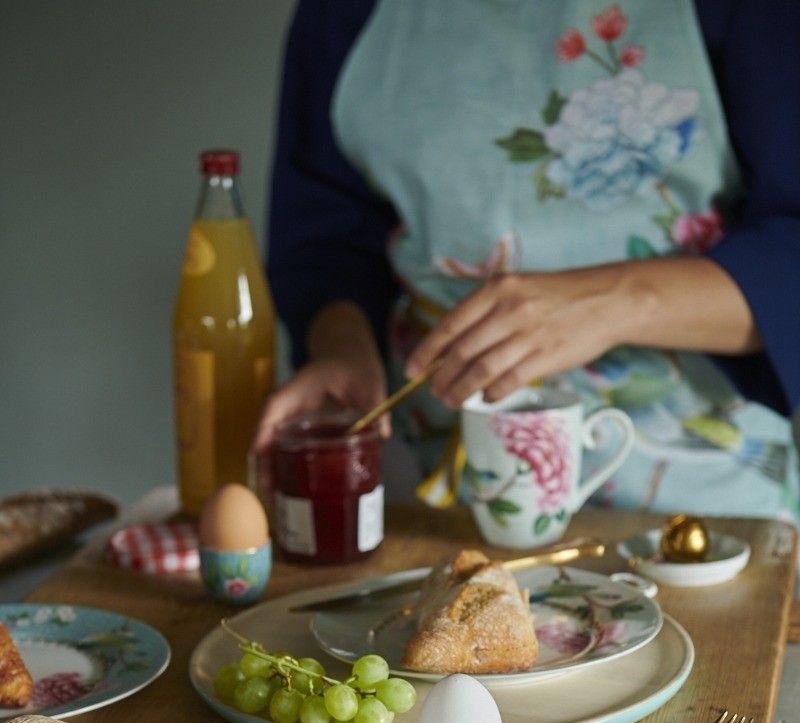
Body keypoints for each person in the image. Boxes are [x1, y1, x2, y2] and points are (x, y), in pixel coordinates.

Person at [254, 0, 800, 521]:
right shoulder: (341, 11)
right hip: (425, 502)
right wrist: (342, 349)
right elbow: (325, 237)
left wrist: (615, 301)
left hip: (704, 515)